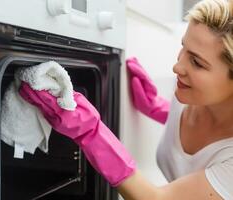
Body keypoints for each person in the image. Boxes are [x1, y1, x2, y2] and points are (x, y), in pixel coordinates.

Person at [19, 0, 233, 199]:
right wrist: (156, 107)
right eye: (184, 47)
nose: (177, 67)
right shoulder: (193, 94)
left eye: (196, 62)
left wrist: (90, 132)